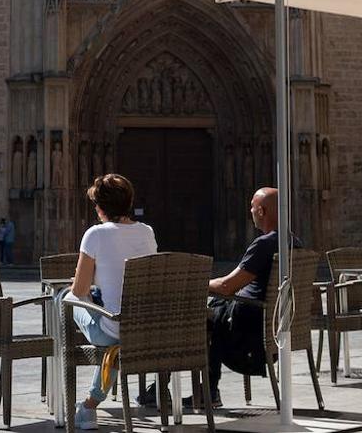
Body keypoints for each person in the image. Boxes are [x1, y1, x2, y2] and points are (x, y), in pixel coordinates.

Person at [143, 186, 283, 410]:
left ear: (262, 212)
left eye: (252, 207)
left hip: (246, 329)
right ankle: (206, 390)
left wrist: (195, 283)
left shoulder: (264, 244)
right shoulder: (292, 242)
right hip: (268, 325)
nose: (250, 212)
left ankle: (175, 389)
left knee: (188, 319)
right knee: (210, 311)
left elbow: (228, 286)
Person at [69, 174, 157, 431]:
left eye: (96, 203)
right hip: (140, 328)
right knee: (117, 331)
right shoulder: (147, 232)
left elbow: (80, 289)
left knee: (64, 297)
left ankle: (59, 386)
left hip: (110, 331)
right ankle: (90, 405)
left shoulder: (95, 234)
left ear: (101, 207)